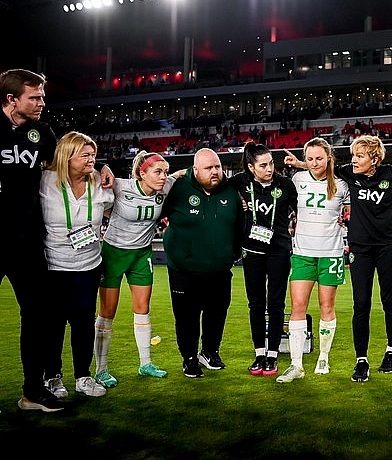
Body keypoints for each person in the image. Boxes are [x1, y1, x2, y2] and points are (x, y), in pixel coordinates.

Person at [285, 135, 392, 382]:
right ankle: (361, 360)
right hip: (360, 247)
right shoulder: (346, 175)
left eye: (360, 156)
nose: (354, 160)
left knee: (389, 301)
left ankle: (391, 350)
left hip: (388, 245)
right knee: (360, 304)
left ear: (374, 159)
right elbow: (322, 166)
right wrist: (301, 164)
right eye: (353, 155)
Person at [1, 69, 66, 412]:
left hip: (26, 240)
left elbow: (63, 168)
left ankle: (32, 391)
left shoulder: (42, 132)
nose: (42, 103)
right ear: (12, 100)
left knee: (37, 315)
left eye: (42, 96)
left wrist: (99, 167)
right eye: (35, 97)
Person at [92, 151, 178, 388]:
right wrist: (103, 167)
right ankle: (101, 369)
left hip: (142, 254)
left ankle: (146, 363)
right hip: (113, 253)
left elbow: (183, 175)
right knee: (107, 312)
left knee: (143, 310)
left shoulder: (166, 187)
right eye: (157, 172)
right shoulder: (120, 186)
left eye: (165, 172)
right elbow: (94, 173)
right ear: (142, 173)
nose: (163, 177)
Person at [40, 131, 114, 399]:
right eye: (85, 155)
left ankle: (83, 376)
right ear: (66, 156)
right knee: (54, 323)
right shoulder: (44, 181)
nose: (91, 159)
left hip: (88, 265)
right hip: (54, 265)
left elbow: (123, 201)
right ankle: (52, 376)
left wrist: (107, 168)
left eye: (94, 155)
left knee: (83, 322)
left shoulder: (100, 183)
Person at [161, 147, 244, 378]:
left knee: (217, 313)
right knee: (186, 317)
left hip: (219, 269)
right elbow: (154, 213)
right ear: (195, 170)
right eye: (209, 168)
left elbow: (240, 226)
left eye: (217, 166)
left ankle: (209, 351)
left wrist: (231, 254)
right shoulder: (177, 188)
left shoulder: (231, 192)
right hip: (183, 270)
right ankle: (188, 358)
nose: (215, 172)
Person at [276, 138, 350, 382]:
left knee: (327, 307)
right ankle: (296, 365)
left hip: (331, 253)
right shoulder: (297, 181)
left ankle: (324, 357)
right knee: (297, 307)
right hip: (303, 253)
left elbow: (353, 213)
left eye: (319, 158)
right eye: (310, 159)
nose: (315, 163)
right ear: (304, 160)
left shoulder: (341, 185)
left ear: (328, 157)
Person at [231, 142, 297, 378]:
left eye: (271, 163)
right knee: (255, 304)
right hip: (252, 250)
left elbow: (303, 210)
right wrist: (238, 206)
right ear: (251, 167)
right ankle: (259, 353)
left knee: (276, 304)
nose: (270, 169)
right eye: (263, 165)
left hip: (279, 250)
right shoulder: (239, 182)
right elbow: (217, 194)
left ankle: (273, 354)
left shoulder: (286, 185)